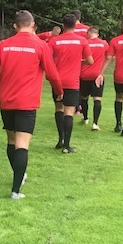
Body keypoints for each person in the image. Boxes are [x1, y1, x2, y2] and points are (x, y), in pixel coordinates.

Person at [0, 10, 63, 200]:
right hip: (27, 103)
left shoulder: (4, 45)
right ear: (32, 25)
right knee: (22, 145)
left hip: (7, 102)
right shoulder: (40, 45)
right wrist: (59, 91)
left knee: (11, 141)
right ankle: (16, 191)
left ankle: (19, 174)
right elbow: (52, 74)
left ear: (15, 26)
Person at [49, 13, 93, 153]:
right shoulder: (82, 41)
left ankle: (60, 140)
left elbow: (48, 60)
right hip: (72, 82)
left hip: (57, 81)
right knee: (69, 112)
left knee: (59, 109)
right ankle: (67, 146)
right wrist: (79, 61)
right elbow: (90, 61)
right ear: (75, 25)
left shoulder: (55, 41)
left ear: (63, 25)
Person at [79, 27, 108, 130]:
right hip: (98, 75)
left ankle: (85, 118)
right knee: (97, 99)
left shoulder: (84, 43)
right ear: (97, 34)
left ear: (88, 33)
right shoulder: (104, 44)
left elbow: (80, 57)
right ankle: (95, 123)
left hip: (84, 75)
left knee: (84, 98)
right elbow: (109, 57)